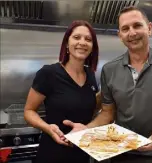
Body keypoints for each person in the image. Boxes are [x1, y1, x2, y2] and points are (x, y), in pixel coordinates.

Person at [67, 6, 152, 163]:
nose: (132, 33)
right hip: (122, 154)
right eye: (125, 29)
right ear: (120, 35)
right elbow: (107, 113)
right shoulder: (109, 70)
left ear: (149, 28)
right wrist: (87, 129)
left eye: (137, 25)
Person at [24, 20, 100, 163]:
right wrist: (47, 128)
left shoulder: (90, 75)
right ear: (66, 43)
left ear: (92, 47)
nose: (82, 42)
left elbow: (89, 107)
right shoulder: (49, 73)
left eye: (88, 39)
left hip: (81, 154)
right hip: (52, 154)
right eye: (76, 37)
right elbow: (28, 111)